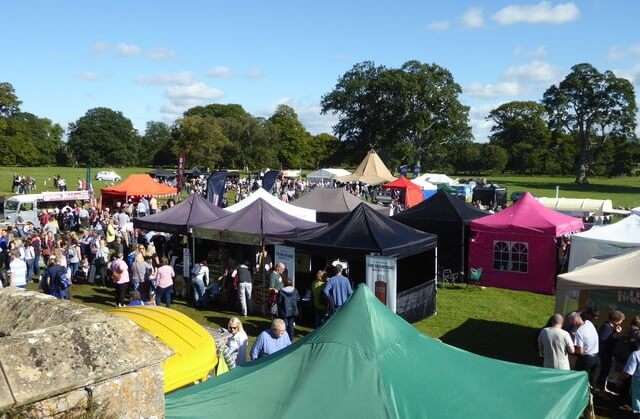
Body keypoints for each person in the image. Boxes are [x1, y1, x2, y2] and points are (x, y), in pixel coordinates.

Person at [598, 310, 626, 389]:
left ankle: (602, 388)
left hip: (607, 355)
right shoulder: (606, 327)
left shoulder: (611, 327)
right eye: (621, 320)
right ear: (616, 319)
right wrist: (616, 334)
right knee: (603, 373)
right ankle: (599, 389)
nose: (621, 322)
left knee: (605, 373)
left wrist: (616, 333)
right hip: (604, 355)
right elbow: (603, 341)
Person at [575, 308, 600, 387]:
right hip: (596, 358)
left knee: (579, 381)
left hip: (586, 359)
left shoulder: (579, 331)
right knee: (592, 382)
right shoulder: (589, 323)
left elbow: (580, 351)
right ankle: (591, 395)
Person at [624, 342, 640, 416]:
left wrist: (620, 379)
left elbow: (628, 372)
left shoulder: (636, 354)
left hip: (638, 381)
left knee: (637, 403)